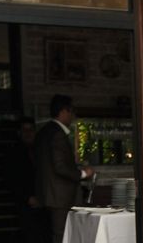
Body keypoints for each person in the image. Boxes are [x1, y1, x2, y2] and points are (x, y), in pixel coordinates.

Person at [34, 94, 95, 243]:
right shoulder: (57, 134)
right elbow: (59, 167)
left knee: (56, 234)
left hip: (49, 195)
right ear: (63, 112)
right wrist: (82, 173)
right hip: (60, 197)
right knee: (61, 235)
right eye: (71, 111)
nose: (73, 116)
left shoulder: (44, 131)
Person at [4, 117, 48, 243]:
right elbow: (11, 180)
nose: (28, 133)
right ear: (19, 133)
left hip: (43, 204)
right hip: (24, 205)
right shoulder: (13, 153)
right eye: (25, 130)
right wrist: (27, 197)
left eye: (31, 130)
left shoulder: (40, 150)